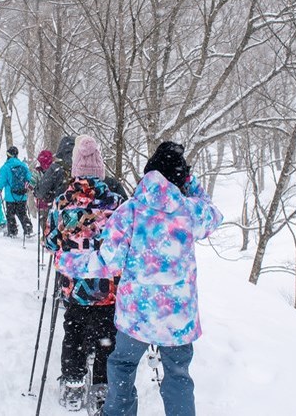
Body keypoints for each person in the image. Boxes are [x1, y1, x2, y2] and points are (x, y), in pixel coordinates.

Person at [58, 142, 223, 416]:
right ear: (179, 179)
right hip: (177, 318)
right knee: (179, 375)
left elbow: (107, 261)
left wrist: (70, 262)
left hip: (137, 315)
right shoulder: (189, 211)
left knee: (122, 365)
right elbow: (215, 214)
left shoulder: (131, 210)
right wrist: (190, 183)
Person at [44, 135, 123, 413]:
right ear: (100, 172)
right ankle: (101, 386)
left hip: (74, 286)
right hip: (107, 286)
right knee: (106, 335)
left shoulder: (62, 203)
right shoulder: (116, 203)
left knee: (74, 331)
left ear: (75, 171)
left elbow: (51, 241)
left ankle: (74, 384)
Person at [0, 146, 33, 238]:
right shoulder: (23, 165)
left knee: (10, 214)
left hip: (10, 196)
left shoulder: (5, 167)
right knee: (22, 213)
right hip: (22, 195)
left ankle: (12, 232)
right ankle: (28, 228)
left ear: (8, 155)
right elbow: (29, 178)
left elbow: (2, 181)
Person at [34, 136, 75, 205]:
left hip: (61, 207)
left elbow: (40, 192)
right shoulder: (83, 167)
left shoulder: (55, 168)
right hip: (83, 211)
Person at [30, 149, 54, 234]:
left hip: (41, 202)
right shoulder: (55, 170)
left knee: (43, 221)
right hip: (53, 202)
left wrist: (33, 190)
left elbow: (31, 185)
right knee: (53, 222)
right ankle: (52, 238)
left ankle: (45, 237)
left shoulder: (37, 171)